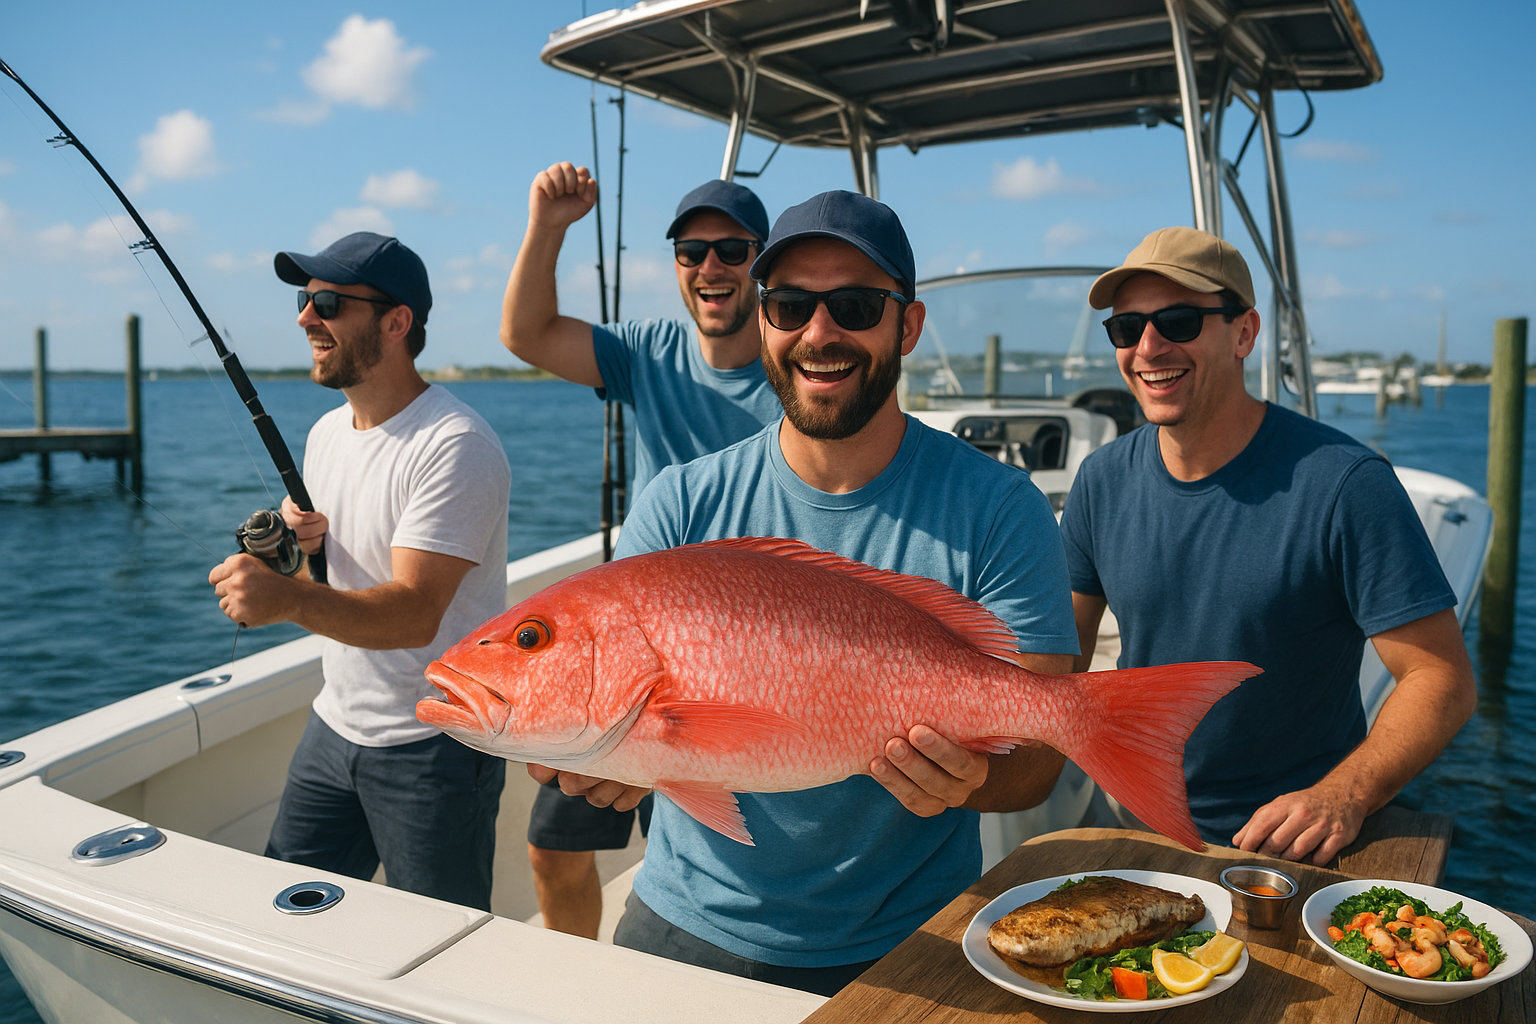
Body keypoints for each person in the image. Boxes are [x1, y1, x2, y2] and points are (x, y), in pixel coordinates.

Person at [530, 190, 1079, 995]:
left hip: (913, 938)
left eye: (855, 305)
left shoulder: (1000, 507)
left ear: (909, 326)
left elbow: (1037, 761)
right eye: (789, 305)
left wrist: (974, 780)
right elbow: (652, 731)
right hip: (686, 922)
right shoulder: (680, 503)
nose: (819, 334)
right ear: (763, 322)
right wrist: (603, 760)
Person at [1060, 226, 1477, 866]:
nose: (1148, 347)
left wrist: (1345, 794)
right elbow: (1061, 660)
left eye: (1177, 321)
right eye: (1127, 328)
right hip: (1137, 820)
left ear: (1245, 334)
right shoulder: (1100, 479)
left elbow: (1440, 677)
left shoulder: (1344, 483)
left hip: (1293, 847)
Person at [501, 164, 784, 937]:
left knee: (690, 844)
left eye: (731, 248)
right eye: (691, 252)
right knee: (551, 849)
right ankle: (576, 991)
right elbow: (526, 334)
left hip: (737, 652)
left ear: (764, 261)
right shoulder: (649, 349)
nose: (710, 267)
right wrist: (550, 225)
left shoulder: (797, 363)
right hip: (631, 640)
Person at [209, 231, 512, 911]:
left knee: (440, 952)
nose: (304, 317)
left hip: (435, 746)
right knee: (281, 920)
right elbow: (336, 582)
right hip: (334, 726)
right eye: (305, 298)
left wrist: (284, 599)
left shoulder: (455, 446)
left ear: (396, 322)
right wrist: (294, 550)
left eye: (327, 301)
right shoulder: (324, 435)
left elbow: (412, 612)